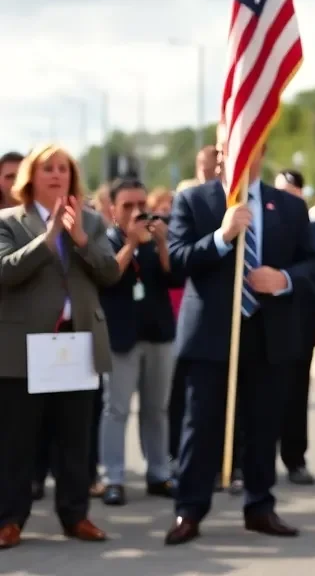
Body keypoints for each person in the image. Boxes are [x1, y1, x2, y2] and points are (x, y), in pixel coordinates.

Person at [163, 132, 315, 546]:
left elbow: (312, 264)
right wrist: (221, 236)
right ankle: (189, 509)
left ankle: (259, 506)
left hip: (268, 333)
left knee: (263, 423)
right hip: (211, 334)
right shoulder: (195, 201)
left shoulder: (289, 205)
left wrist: (283, 279)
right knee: (201, 424)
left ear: (262, 150)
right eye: (228, 148)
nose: (234, 156)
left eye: (247, 146)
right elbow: (177, 260)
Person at [0, 144, 120, 550]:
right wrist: (49, 238)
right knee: (18, 440)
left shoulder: (90, 220)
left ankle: (76, 516)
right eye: (47, 169)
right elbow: (5, 272)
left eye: (63, 169)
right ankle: (9, 519)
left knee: (74, 439)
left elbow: (110, 272)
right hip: (24, 348)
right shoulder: (8, 222)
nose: (56, 175)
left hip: (75, 344)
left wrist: (81, 239)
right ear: (30, 177)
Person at [98, 178, 180, 505]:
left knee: (157, 409)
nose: (136, 212)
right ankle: (113, 478)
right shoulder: (104, 241)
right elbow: (109, 276)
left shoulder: (158, 237)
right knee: (115, 409)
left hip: (158, 334)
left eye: (141, 205)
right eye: (128, 206)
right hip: (121, 338)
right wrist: (130, 244)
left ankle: (159, 473)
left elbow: (174, 277)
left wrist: (160, 245)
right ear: (113, 210)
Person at [272, 168, 315, 485]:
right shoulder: (260, 219)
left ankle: (295, 459)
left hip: (299, 323)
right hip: (261, 322)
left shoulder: (310, 224)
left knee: (295, 396)